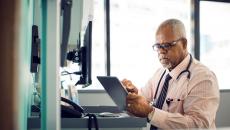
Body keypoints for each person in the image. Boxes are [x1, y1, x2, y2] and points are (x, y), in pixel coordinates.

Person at [121, 19, 220, 130]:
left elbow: (198, 125)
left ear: (184, 44)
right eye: (158, 46)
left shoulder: (203, 77)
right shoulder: (160, 73)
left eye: (167, 45)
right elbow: (143, 99)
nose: (161, 51)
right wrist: (133, 94)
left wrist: (151, 113)